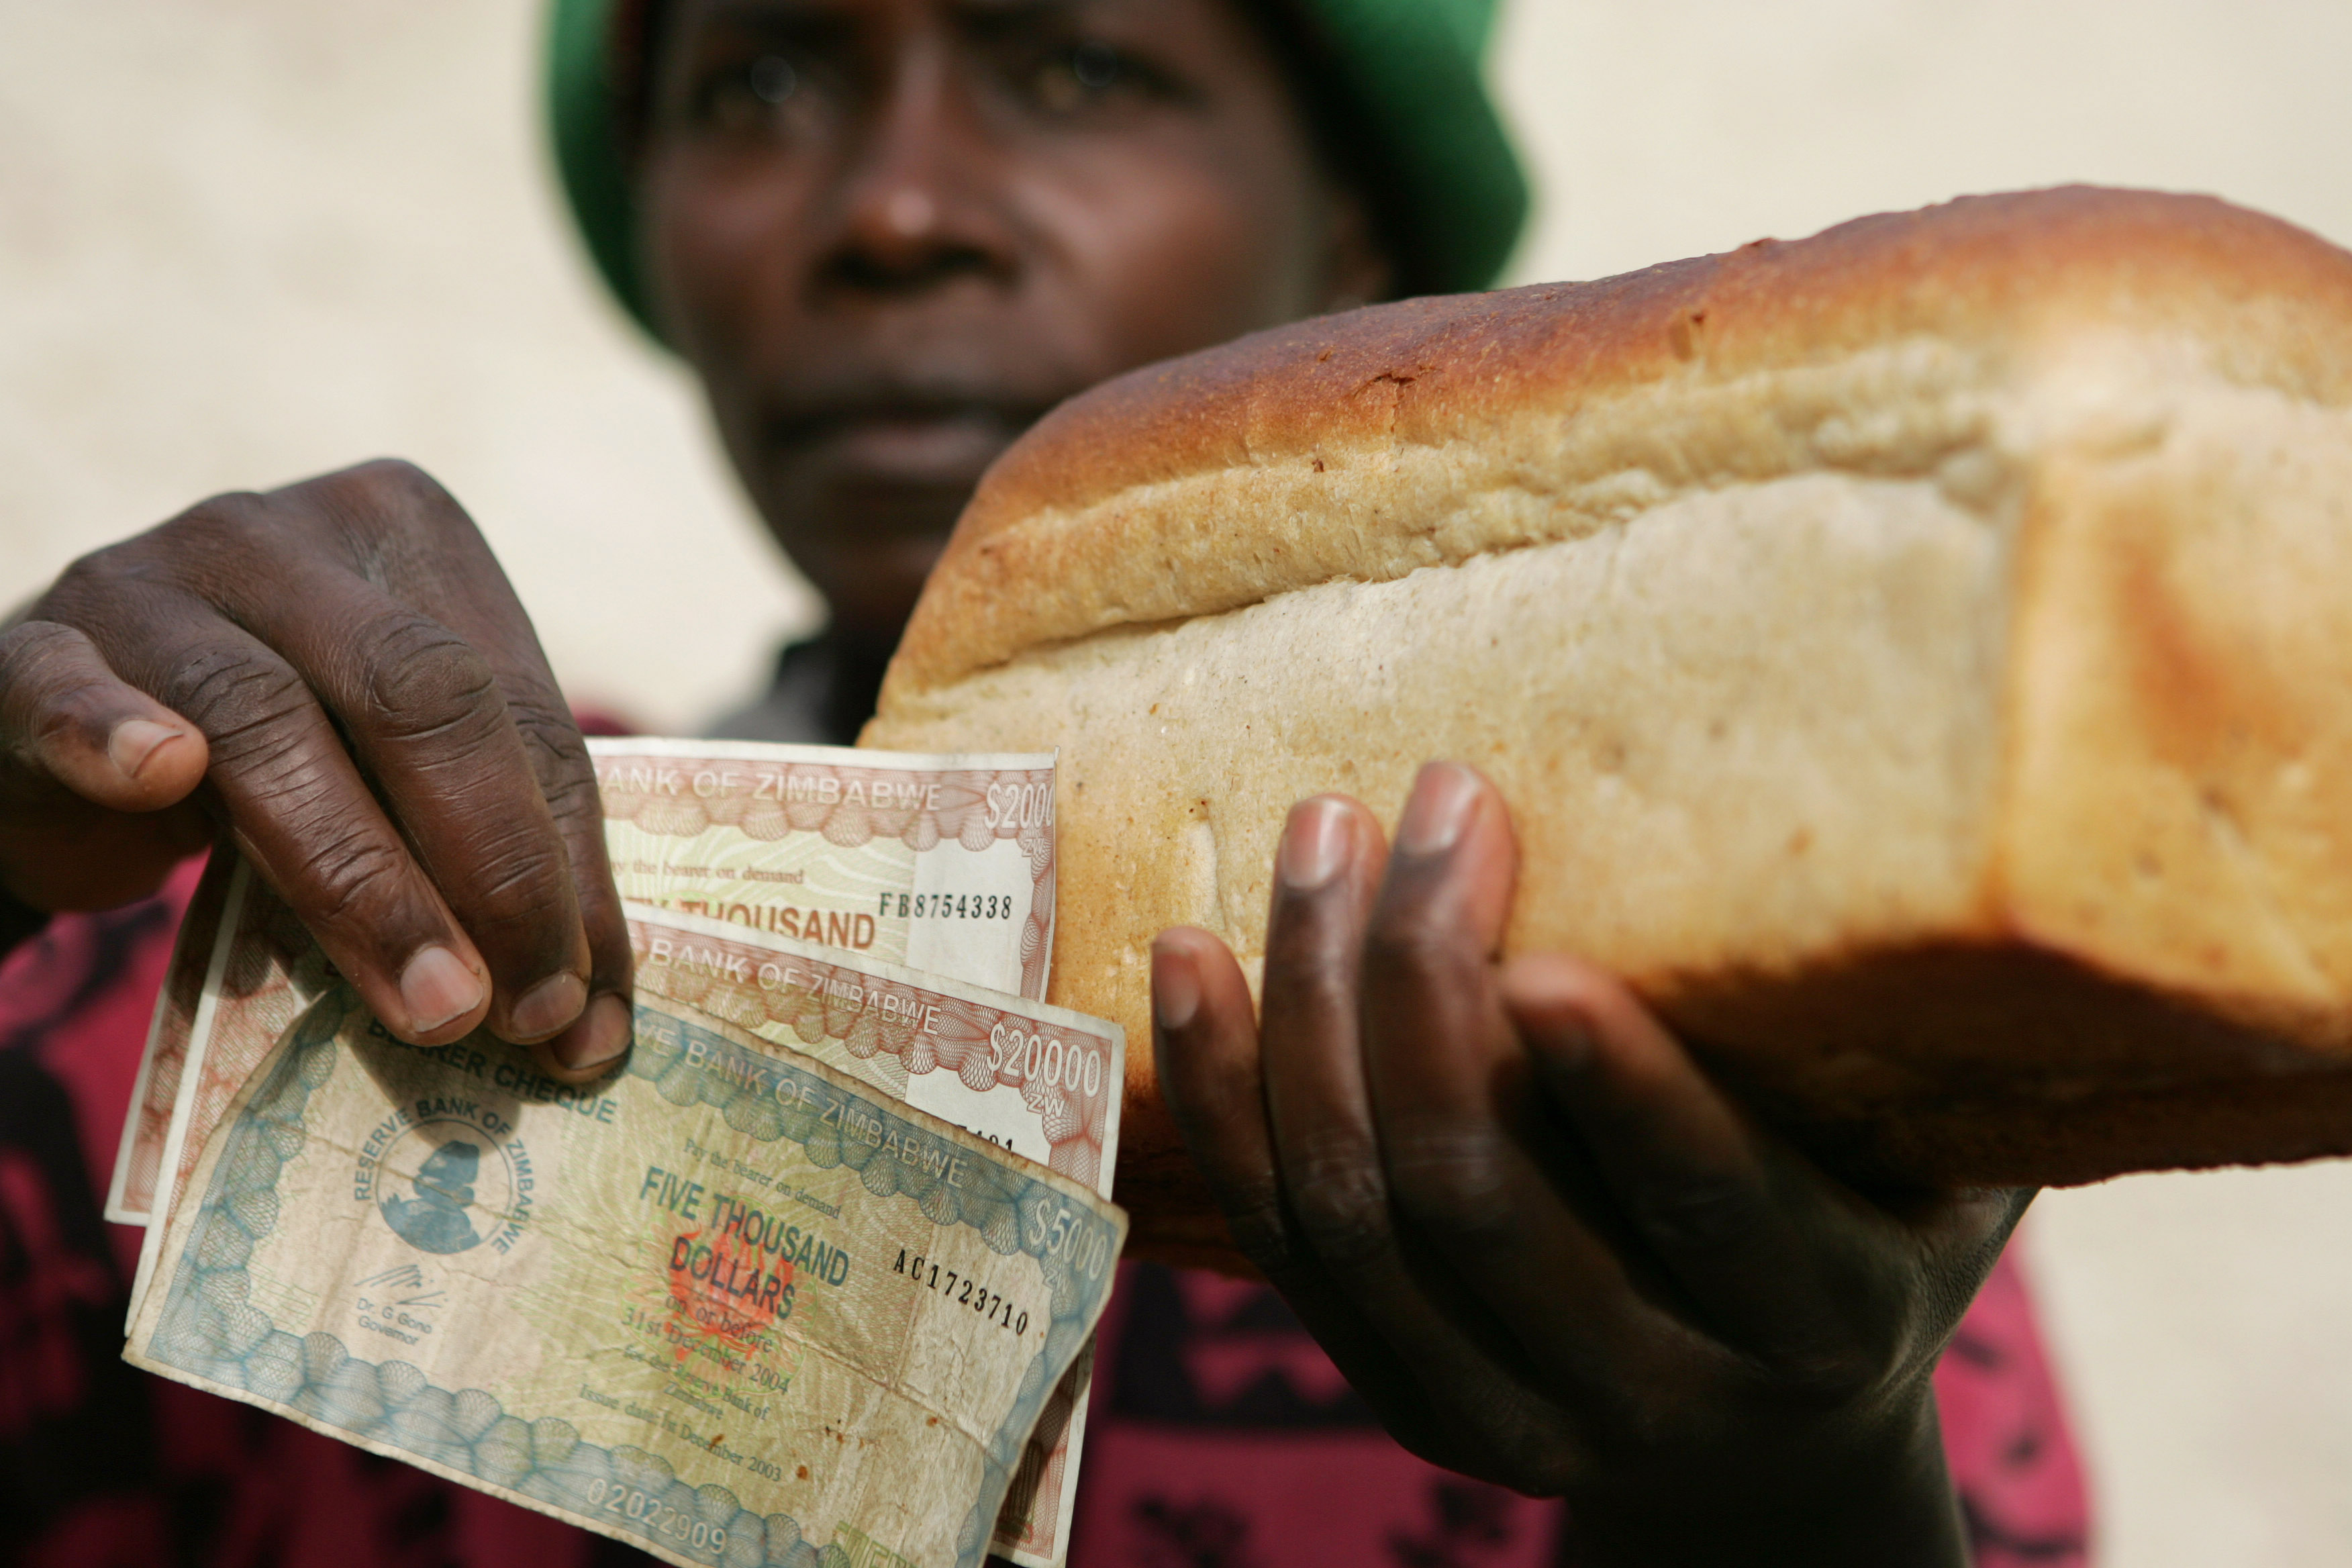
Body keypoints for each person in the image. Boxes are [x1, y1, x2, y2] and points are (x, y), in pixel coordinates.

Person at [0, 1, 2088, 1563]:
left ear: (1356, 227)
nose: (896, 211)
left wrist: (1802, 1477)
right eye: (761, 83)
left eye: (1080, 64)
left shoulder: (1731, 1087)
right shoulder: (287, 951)